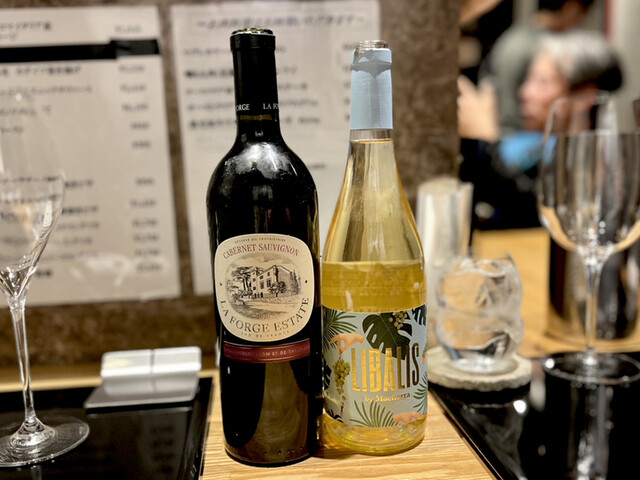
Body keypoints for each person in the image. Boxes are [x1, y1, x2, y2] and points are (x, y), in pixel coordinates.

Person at [458, 30, 623, 230]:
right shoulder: (530, 146)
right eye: (529, 79)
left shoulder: (595, 167)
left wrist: (488, 140)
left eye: (542, 82)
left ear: (584, 97)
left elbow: (537, 213)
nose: (525, 93)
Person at [479, 0, 595, 134]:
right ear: (572, 9)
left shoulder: (514, 37)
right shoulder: (536, 44)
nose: (526, 93)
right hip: (516, 136)